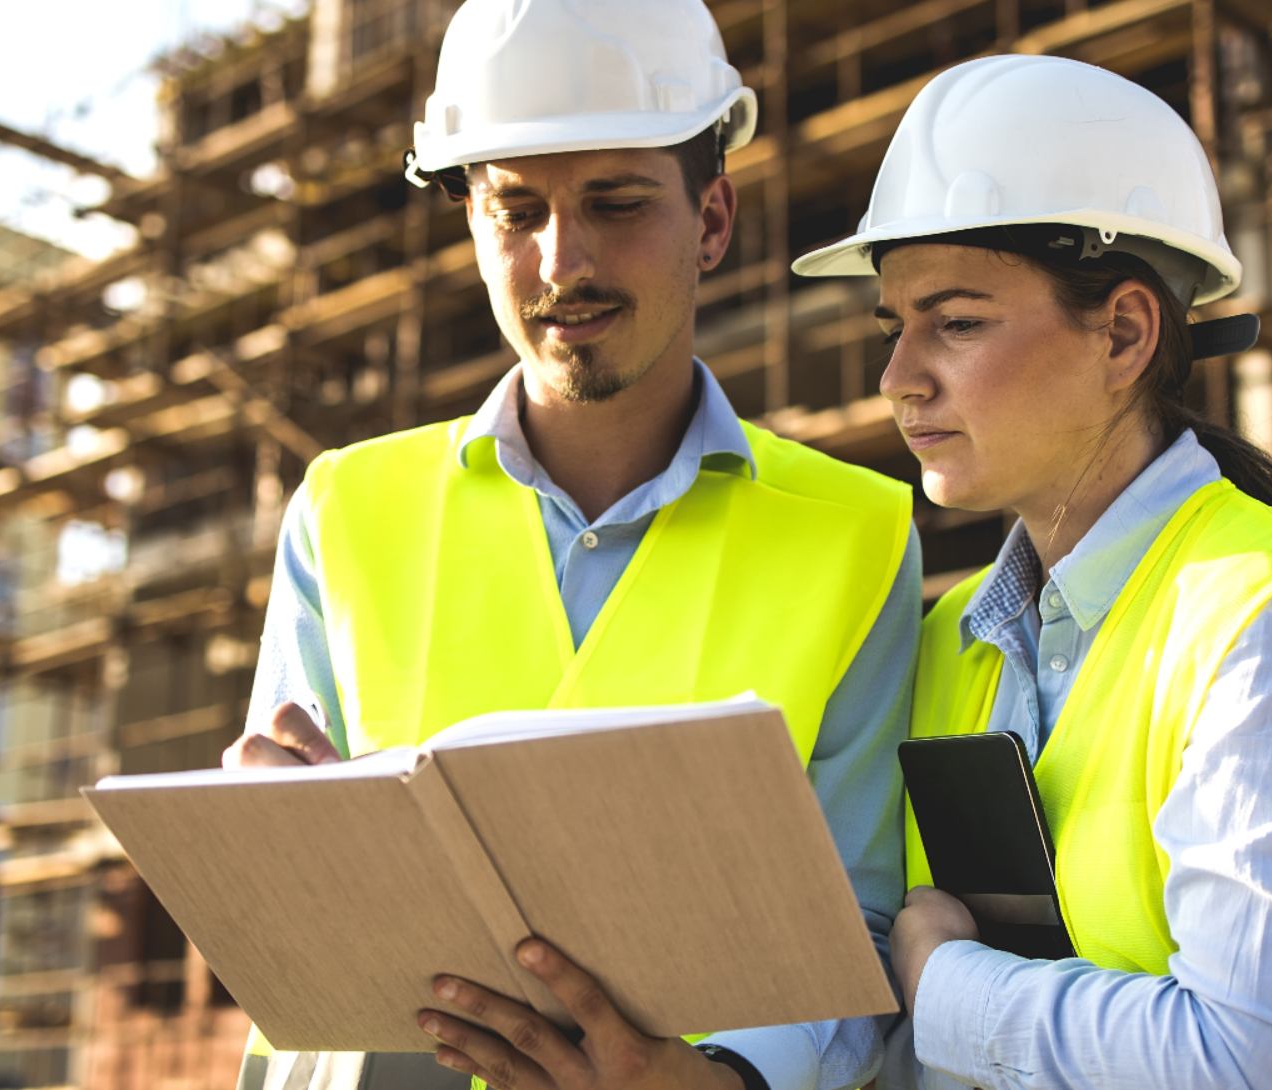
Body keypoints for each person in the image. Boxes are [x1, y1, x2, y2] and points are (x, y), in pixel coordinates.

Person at [223, 2, 921, 1089]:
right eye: (516, 211)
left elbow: (862, 916)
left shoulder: (859, 533)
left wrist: (722, 1081)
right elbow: (290, 920)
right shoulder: (343, 508)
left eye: (616, 202)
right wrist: (270, 844)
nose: (564, 262)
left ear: (713, 218)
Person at [787, 55, 1272, 1089]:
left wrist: (945, 983)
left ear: (1123, 332)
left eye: (957, 321)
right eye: (895, 327)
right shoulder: (951, 647)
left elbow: (1249, 1064)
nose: (897, 378)